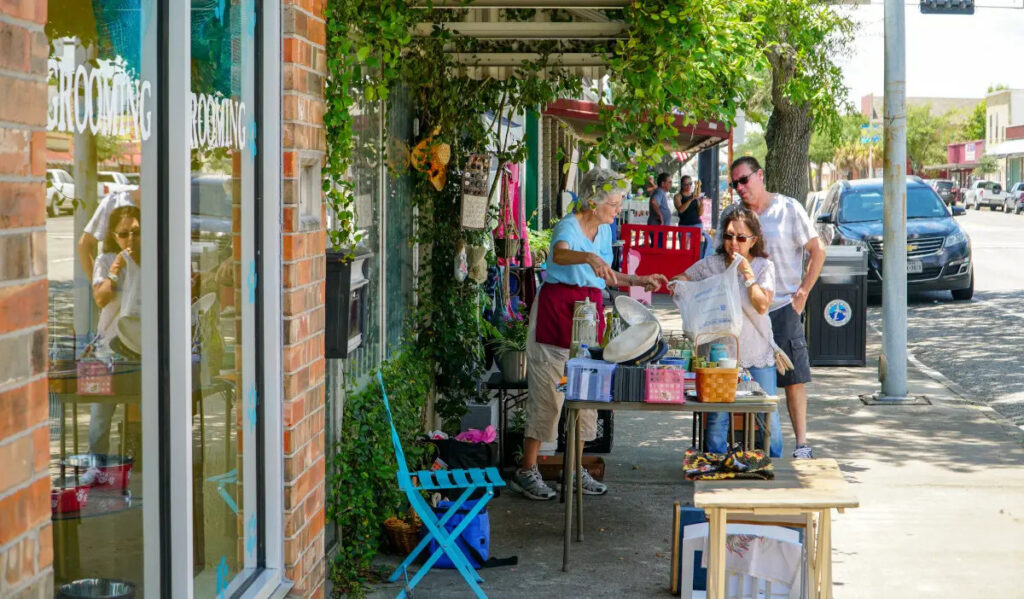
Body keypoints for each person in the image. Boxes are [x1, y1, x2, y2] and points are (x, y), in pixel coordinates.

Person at [511, 167, 669, 500]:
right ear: (593, 201)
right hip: (557, 310)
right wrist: (589, 256)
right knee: (548, 394)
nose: (618, 208)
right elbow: (560, 254)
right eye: (613, 202)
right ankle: (527, 469)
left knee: (587, 392)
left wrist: (638, 281)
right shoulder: (569, 225)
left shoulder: (603, 232)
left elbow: (605, 275)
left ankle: (572, 470)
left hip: (588, 312)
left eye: (619, 201)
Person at [727, 156, 825, 459]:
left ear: (760, 175)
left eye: (745, 180)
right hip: (748, 311)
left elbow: (817, 250)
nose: (740, 187)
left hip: (783, 307)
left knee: (793, 379)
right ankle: (750, 447)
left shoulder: (788, 209)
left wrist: (803, 293)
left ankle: (802, 445)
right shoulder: (738, 217)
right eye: (735, 183)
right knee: (745, 381)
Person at [671, 207, 782, 457]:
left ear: (754, 239)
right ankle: (714, 465)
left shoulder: (764, 267)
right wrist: (682, 286)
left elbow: (762, 304)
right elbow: (682, 279)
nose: (734, 244)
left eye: (741, 238)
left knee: (768, 418)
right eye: (729, 236)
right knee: (717, 417)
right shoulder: (712, 264)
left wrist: (747, 275)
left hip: (756, 350)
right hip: (720, 354)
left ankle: (775, 468)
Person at [87, 204, 142, 458]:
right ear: (113, 236)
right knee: (101, 414)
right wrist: (116, 269)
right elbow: (100, 299)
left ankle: (135, 463)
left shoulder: (151, 259)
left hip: (138, 348)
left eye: (135, 232)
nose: (130, 239)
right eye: (123, 234)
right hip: (107, 348)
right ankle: (97, 464)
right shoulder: (107, 259)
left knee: (140, 410)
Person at [78, 189, 139, 278]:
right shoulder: (115, 201)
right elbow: (85, 244)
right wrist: (97, 286)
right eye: (123, 234)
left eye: (137, 232)